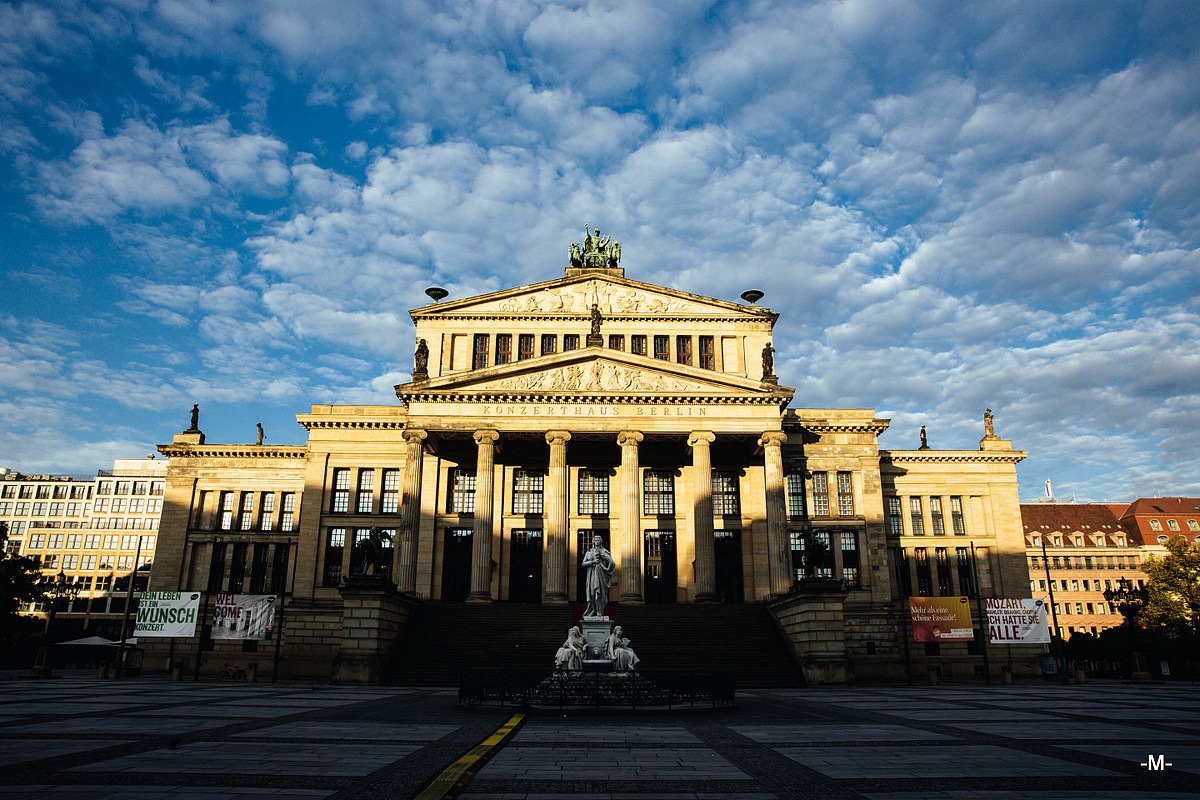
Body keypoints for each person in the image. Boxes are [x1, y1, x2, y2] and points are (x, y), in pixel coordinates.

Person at [581, 534, 614, 617]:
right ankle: (593, 609)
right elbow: (583, 563)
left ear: (601, 542)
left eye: (598, 540)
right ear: (593, 542)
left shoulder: (604, 552)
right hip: (591, 574)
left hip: (600, 574)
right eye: (595, 540)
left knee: (600, 592)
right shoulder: (589, 552)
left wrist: (607, 567)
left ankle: (599, 610)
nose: (596, 542)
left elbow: (612, 563)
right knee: (592, 593)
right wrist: (592, 562)